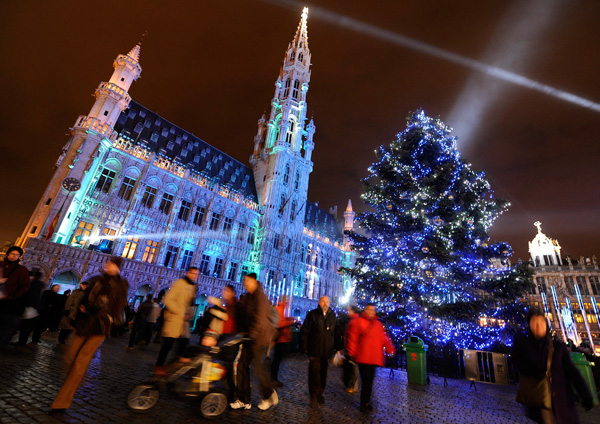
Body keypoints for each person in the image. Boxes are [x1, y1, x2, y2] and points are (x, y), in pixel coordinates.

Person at [49, 256, 129, 415]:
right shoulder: (96, 280)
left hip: (100, 326)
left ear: (118, 268)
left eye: (112, 264)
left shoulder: (121, 284)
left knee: (81, 363)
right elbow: (83, 300)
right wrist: (79, 314)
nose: (108, 266)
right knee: (69, 358)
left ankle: (61, 402)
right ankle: (78, 378)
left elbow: (118, 304)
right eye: (108, 263)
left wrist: (104, 315)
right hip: (84, 323)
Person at [512, 308, 593, 424]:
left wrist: (585, 394)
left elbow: (572, 371)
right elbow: (516, 360)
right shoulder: (524, 345)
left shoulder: (557, 347)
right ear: (529, 325)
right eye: (534, 323)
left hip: (562, 399)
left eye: (541, 322)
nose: (538, 326)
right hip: (540, 400)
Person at [230, 273, 278, 411]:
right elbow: (245, 317)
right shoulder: (249, 296)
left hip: (259, 338)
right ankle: (243, 399)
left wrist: (252, 333)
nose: (244, 283)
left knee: (257, 369)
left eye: (246, 280)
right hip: (249, 336)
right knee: (241, 367)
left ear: (253, 281)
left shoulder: (260, 296)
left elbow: (260, 318)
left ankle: (269, 395)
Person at [345, 303, 395, 412]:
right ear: (365, 310)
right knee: (366, 380)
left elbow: (384, 338)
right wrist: (352, 352)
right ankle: (364, 403)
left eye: (373, 310)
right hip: (363, 357)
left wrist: (390, 349)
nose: (371, 312)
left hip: (374, 357)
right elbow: (353, 338)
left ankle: (366, 402)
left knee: (369, 381)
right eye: (369, 310)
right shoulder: (359, 322)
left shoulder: (378, 324)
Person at [299, 295, 342, 407]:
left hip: (326, 352)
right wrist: (304, 347)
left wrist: (339, 348)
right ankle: (313, 395)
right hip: (314, 351)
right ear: (319, 302)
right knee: (314, 374)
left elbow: (337, 333)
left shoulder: (333, 316)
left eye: (327, 302)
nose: (325, 304)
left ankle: (320, 393)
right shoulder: (312, 315)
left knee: (323, 374)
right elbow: (305, 332)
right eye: (323, 301)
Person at [155, 267, 198, 368]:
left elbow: (189, 304)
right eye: (193, 273)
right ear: (188, 273)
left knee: (183, 344)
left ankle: (172, 367)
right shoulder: (179, 283)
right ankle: (159, 368)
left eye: (196, 274)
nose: (194, 276)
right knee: (167, 347)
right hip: (174, 319)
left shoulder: (193, 287)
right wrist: (181, 312)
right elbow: (167, 299)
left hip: (184, 322)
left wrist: (189, 313)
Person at [0, 246, 30, 348]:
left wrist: (13, 295)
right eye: (13, 254)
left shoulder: (21, 269)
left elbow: (25, 286)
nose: (14, 256)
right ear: (7, 254)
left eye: (17, 255)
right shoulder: (1, 265)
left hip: (7, 300)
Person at [10, 270, 46, 346]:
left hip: (29, 308)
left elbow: (32, 297)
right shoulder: (35, 285)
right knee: (23, 326)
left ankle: (21, 341)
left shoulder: (35, 285)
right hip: (29, 308)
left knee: (24, 326)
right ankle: (21, 341)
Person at [270, 295, 294, 387]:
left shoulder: (284, 309)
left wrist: (289, 319)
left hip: (283, 338)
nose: (288, 301)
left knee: (278, 359)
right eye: (287, 300)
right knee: (276, 359)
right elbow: (279, 323)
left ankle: (273, 377)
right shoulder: (280, 308)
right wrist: (290, 322)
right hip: (280, 339)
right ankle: (273, 378)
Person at [343, 304, 360, 393]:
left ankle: (353, 386)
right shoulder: (352, 320)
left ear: (353, 311)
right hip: (350, 348)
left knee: (353, 368)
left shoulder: (354, 321)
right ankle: (352, 385)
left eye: (349, 310)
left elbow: (353, 337)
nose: (347, 312)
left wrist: (351, 350)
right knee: (351, 368)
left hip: (352, 349)